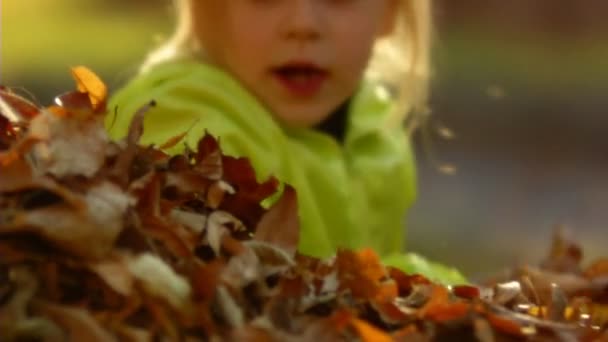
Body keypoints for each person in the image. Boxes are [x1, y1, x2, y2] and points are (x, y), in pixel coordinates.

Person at [107, 0, 465, 283]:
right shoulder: (184, 129)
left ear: (390, 10)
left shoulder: (376, 130)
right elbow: (245, 305)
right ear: (208, 9)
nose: (303, 24)